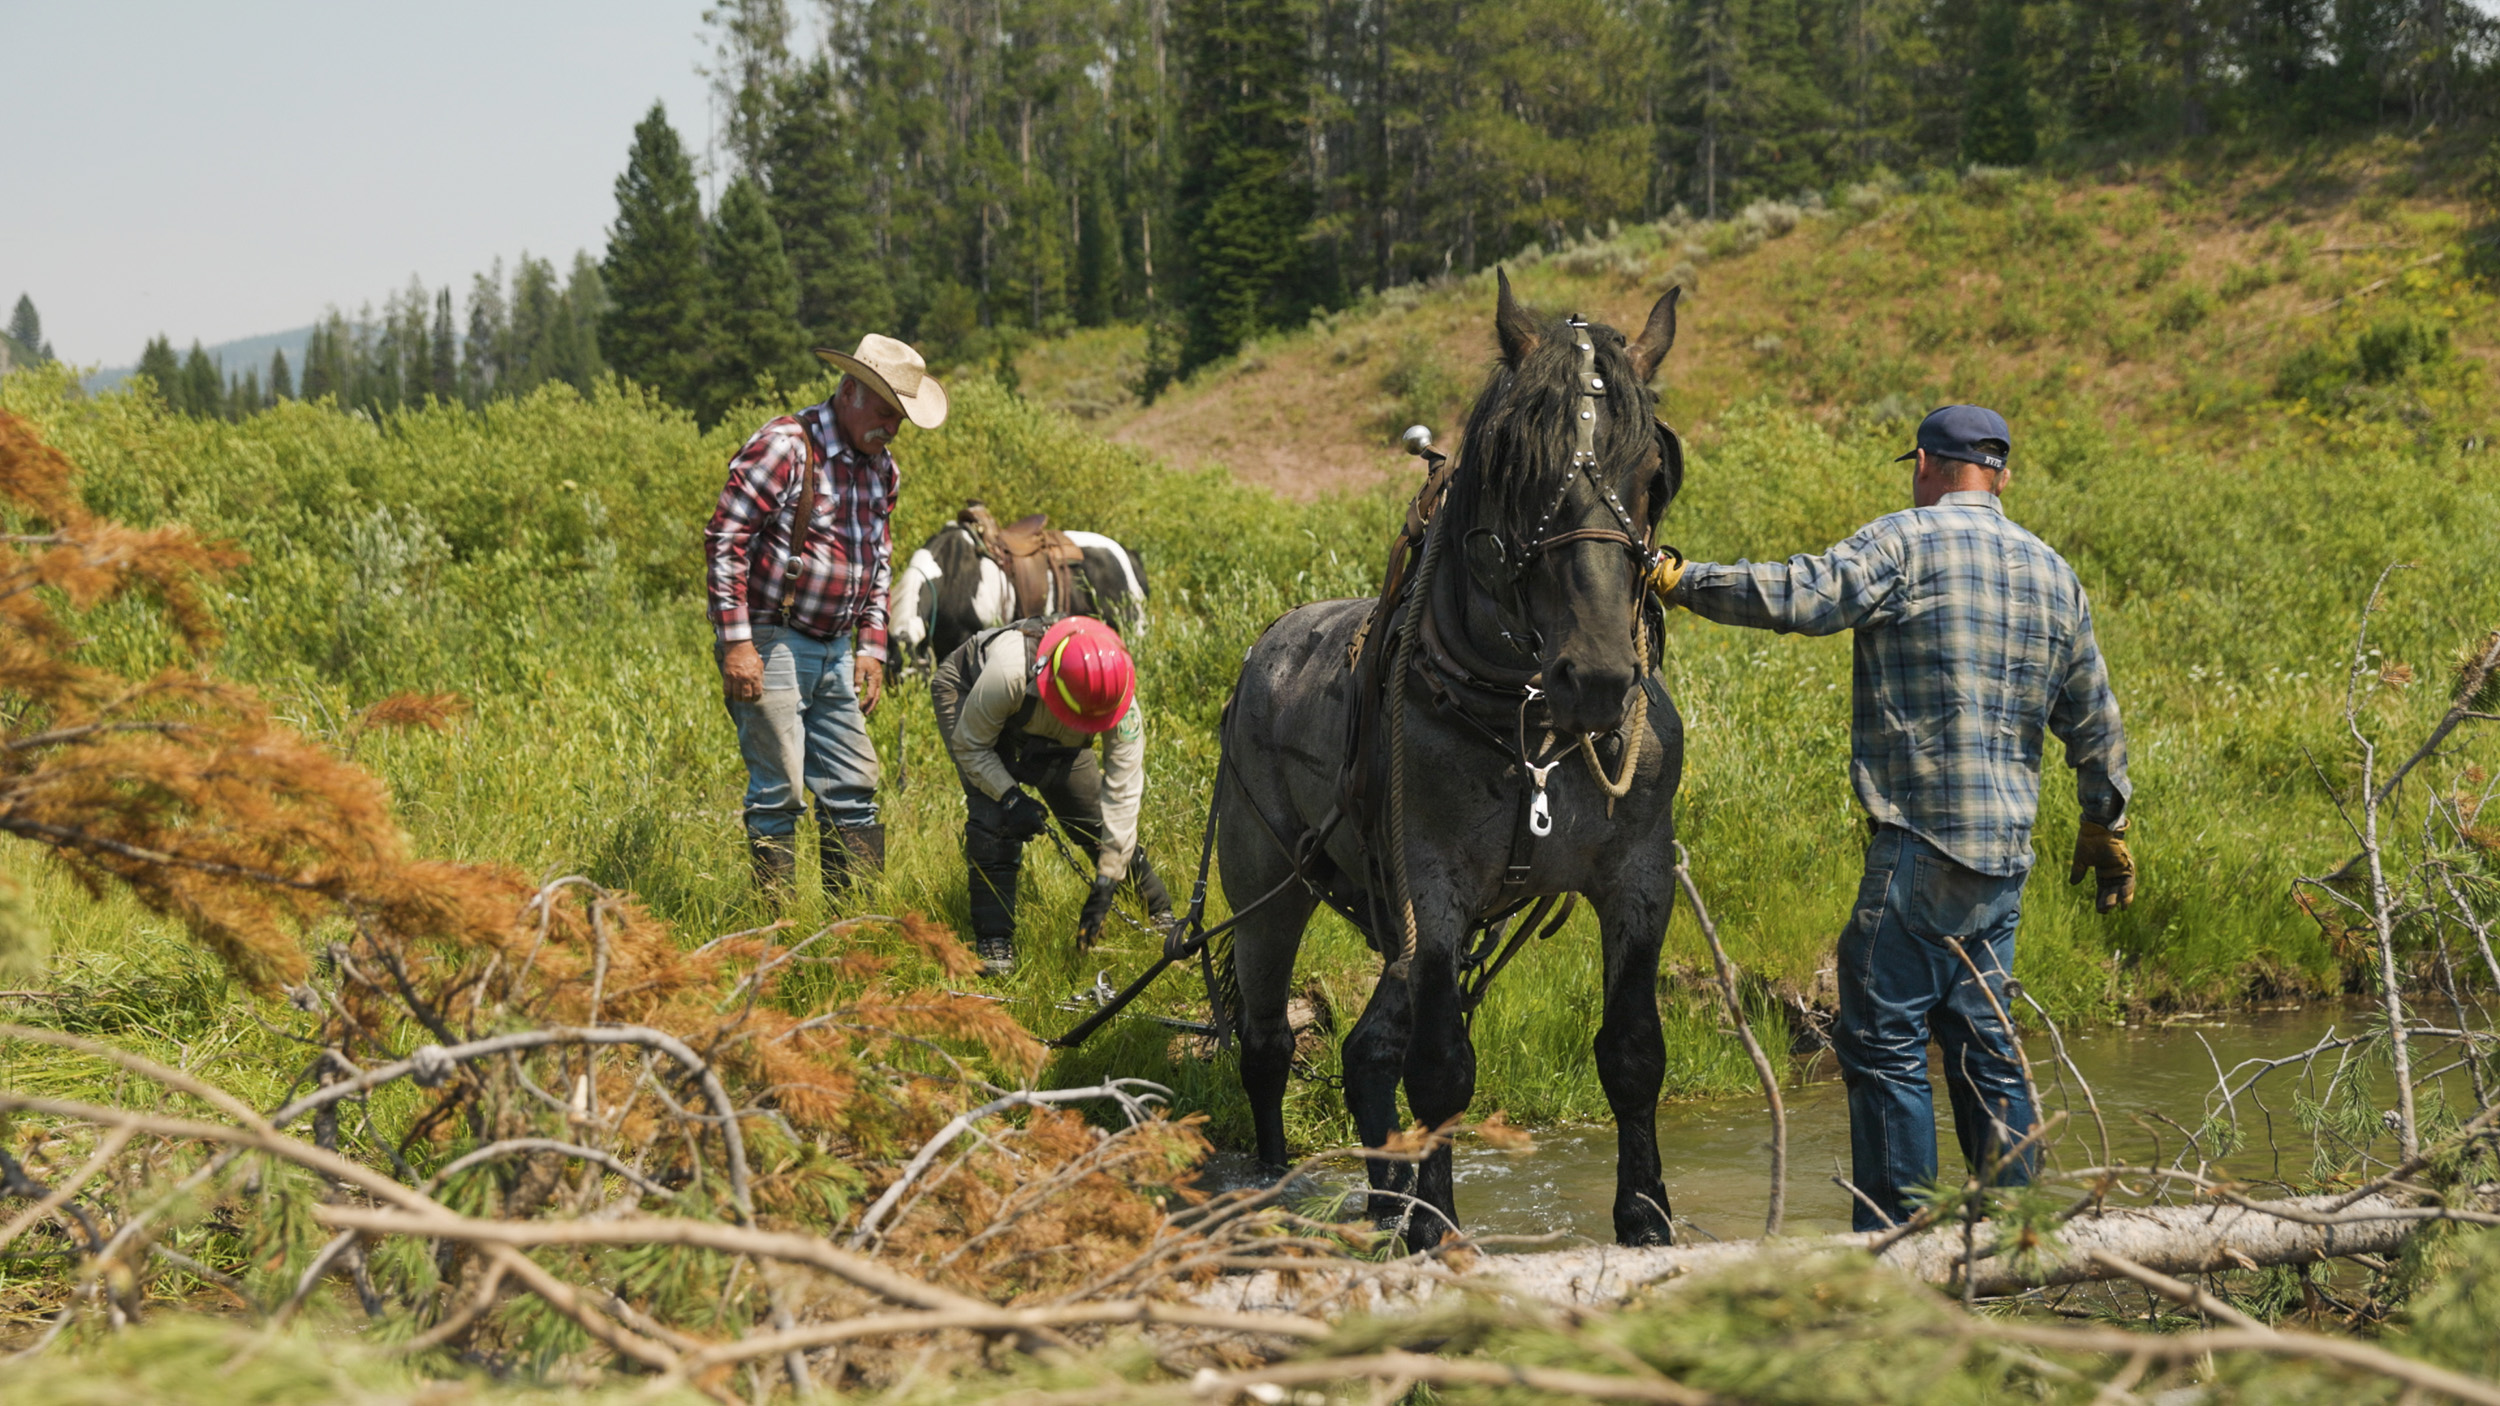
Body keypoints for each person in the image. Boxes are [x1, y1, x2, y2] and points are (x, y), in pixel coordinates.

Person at [1667, 404, 2134, 1230]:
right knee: (1989, 1051)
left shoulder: (1906, 541)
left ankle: (1897, 1250)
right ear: (2002, 475)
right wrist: (2105, 822)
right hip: (2004, 866)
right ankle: (2016, 1249)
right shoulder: (2054, 573)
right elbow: (2095, 718)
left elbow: (1800, 595)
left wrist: (1681, 580)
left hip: (1920, 848)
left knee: (1883, 1047)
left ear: (1925, 463)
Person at [703, 334, 947, 896]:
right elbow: (726, 538)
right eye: (885, 410)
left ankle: (854, 930)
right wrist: (738, 645)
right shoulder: (787, 445)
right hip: (771, 638)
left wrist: (872, 646)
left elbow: (879, 558)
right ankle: (781, 928)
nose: (892, 426)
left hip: (838, 647)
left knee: (855, 785)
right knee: (779, 792)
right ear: (850, 390)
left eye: (901, 416)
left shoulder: (883, 470)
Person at [931, 615, 1175, 974]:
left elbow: (1122, 799)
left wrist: (1107, 881)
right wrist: (1011, 796)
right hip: (972, 694)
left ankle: (1158, 911)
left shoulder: (1118, 698)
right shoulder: (1009, 671)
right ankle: (994, 944)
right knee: (994, 816)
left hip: (1049, 715)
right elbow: (971, 747)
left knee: (1092, 816)